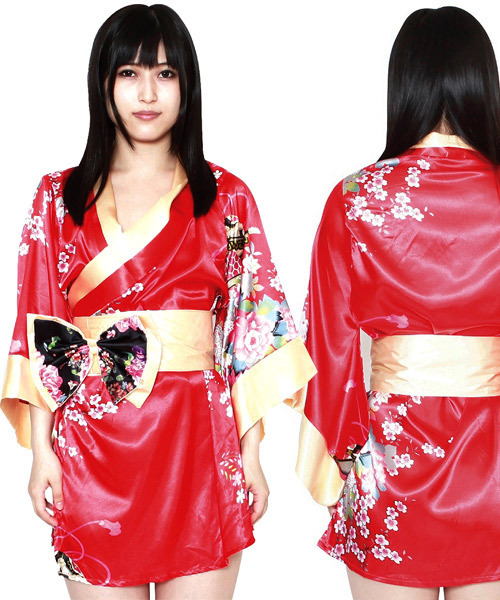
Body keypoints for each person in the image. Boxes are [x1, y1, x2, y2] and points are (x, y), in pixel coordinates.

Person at [0, 4, 315, 598]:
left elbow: (249, 331)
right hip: (91, 447)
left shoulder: (226, 196)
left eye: (165, 74)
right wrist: (40, 451)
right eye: (130, 73)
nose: (148, 93)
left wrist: (251, 452)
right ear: (103, 84)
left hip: (198, 444)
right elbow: (40, 328)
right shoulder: (57, 197)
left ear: (187, 85)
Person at [296, 6, 500, 600]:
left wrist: (343, 458)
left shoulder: (354, 199)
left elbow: (329, 344)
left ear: (403, 85)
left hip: (389, 464)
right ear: (482, 85)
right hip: (498, 470)